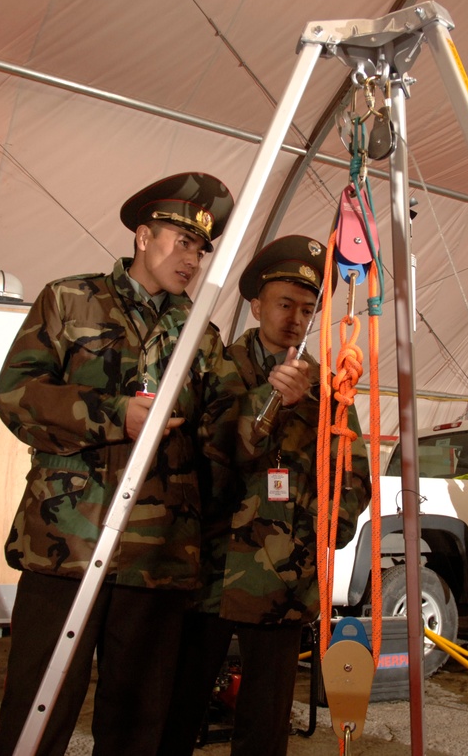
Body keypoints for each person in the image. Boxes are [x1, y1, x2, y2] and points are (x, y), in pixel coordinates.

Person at [0, 172, 270, 756]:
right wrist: (115, 414)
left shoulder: (203, 338)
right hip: (65, 546)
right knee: (36, 713)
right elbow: (15, 394)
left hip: (157, 559)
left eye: (200, 248)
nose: (192, 259)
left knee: (137, 724)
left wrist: (272, 403)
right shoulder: (69, 300)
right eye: (181, 241)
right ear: (143, 237)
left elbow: (227, 440)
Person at [158, 235, 371, 756]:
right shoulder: (215, 367)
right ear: (255, 306)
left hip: (283, 579)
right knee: (177, 710)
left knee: (265, 723)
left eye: (306, 308)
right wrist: (274, 398)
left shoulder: (329, 389)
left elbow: (355, 475)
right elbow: (202, 448)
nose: (296, 318)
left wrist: (320, 531)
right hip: (205, 571)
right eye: (284, 304)